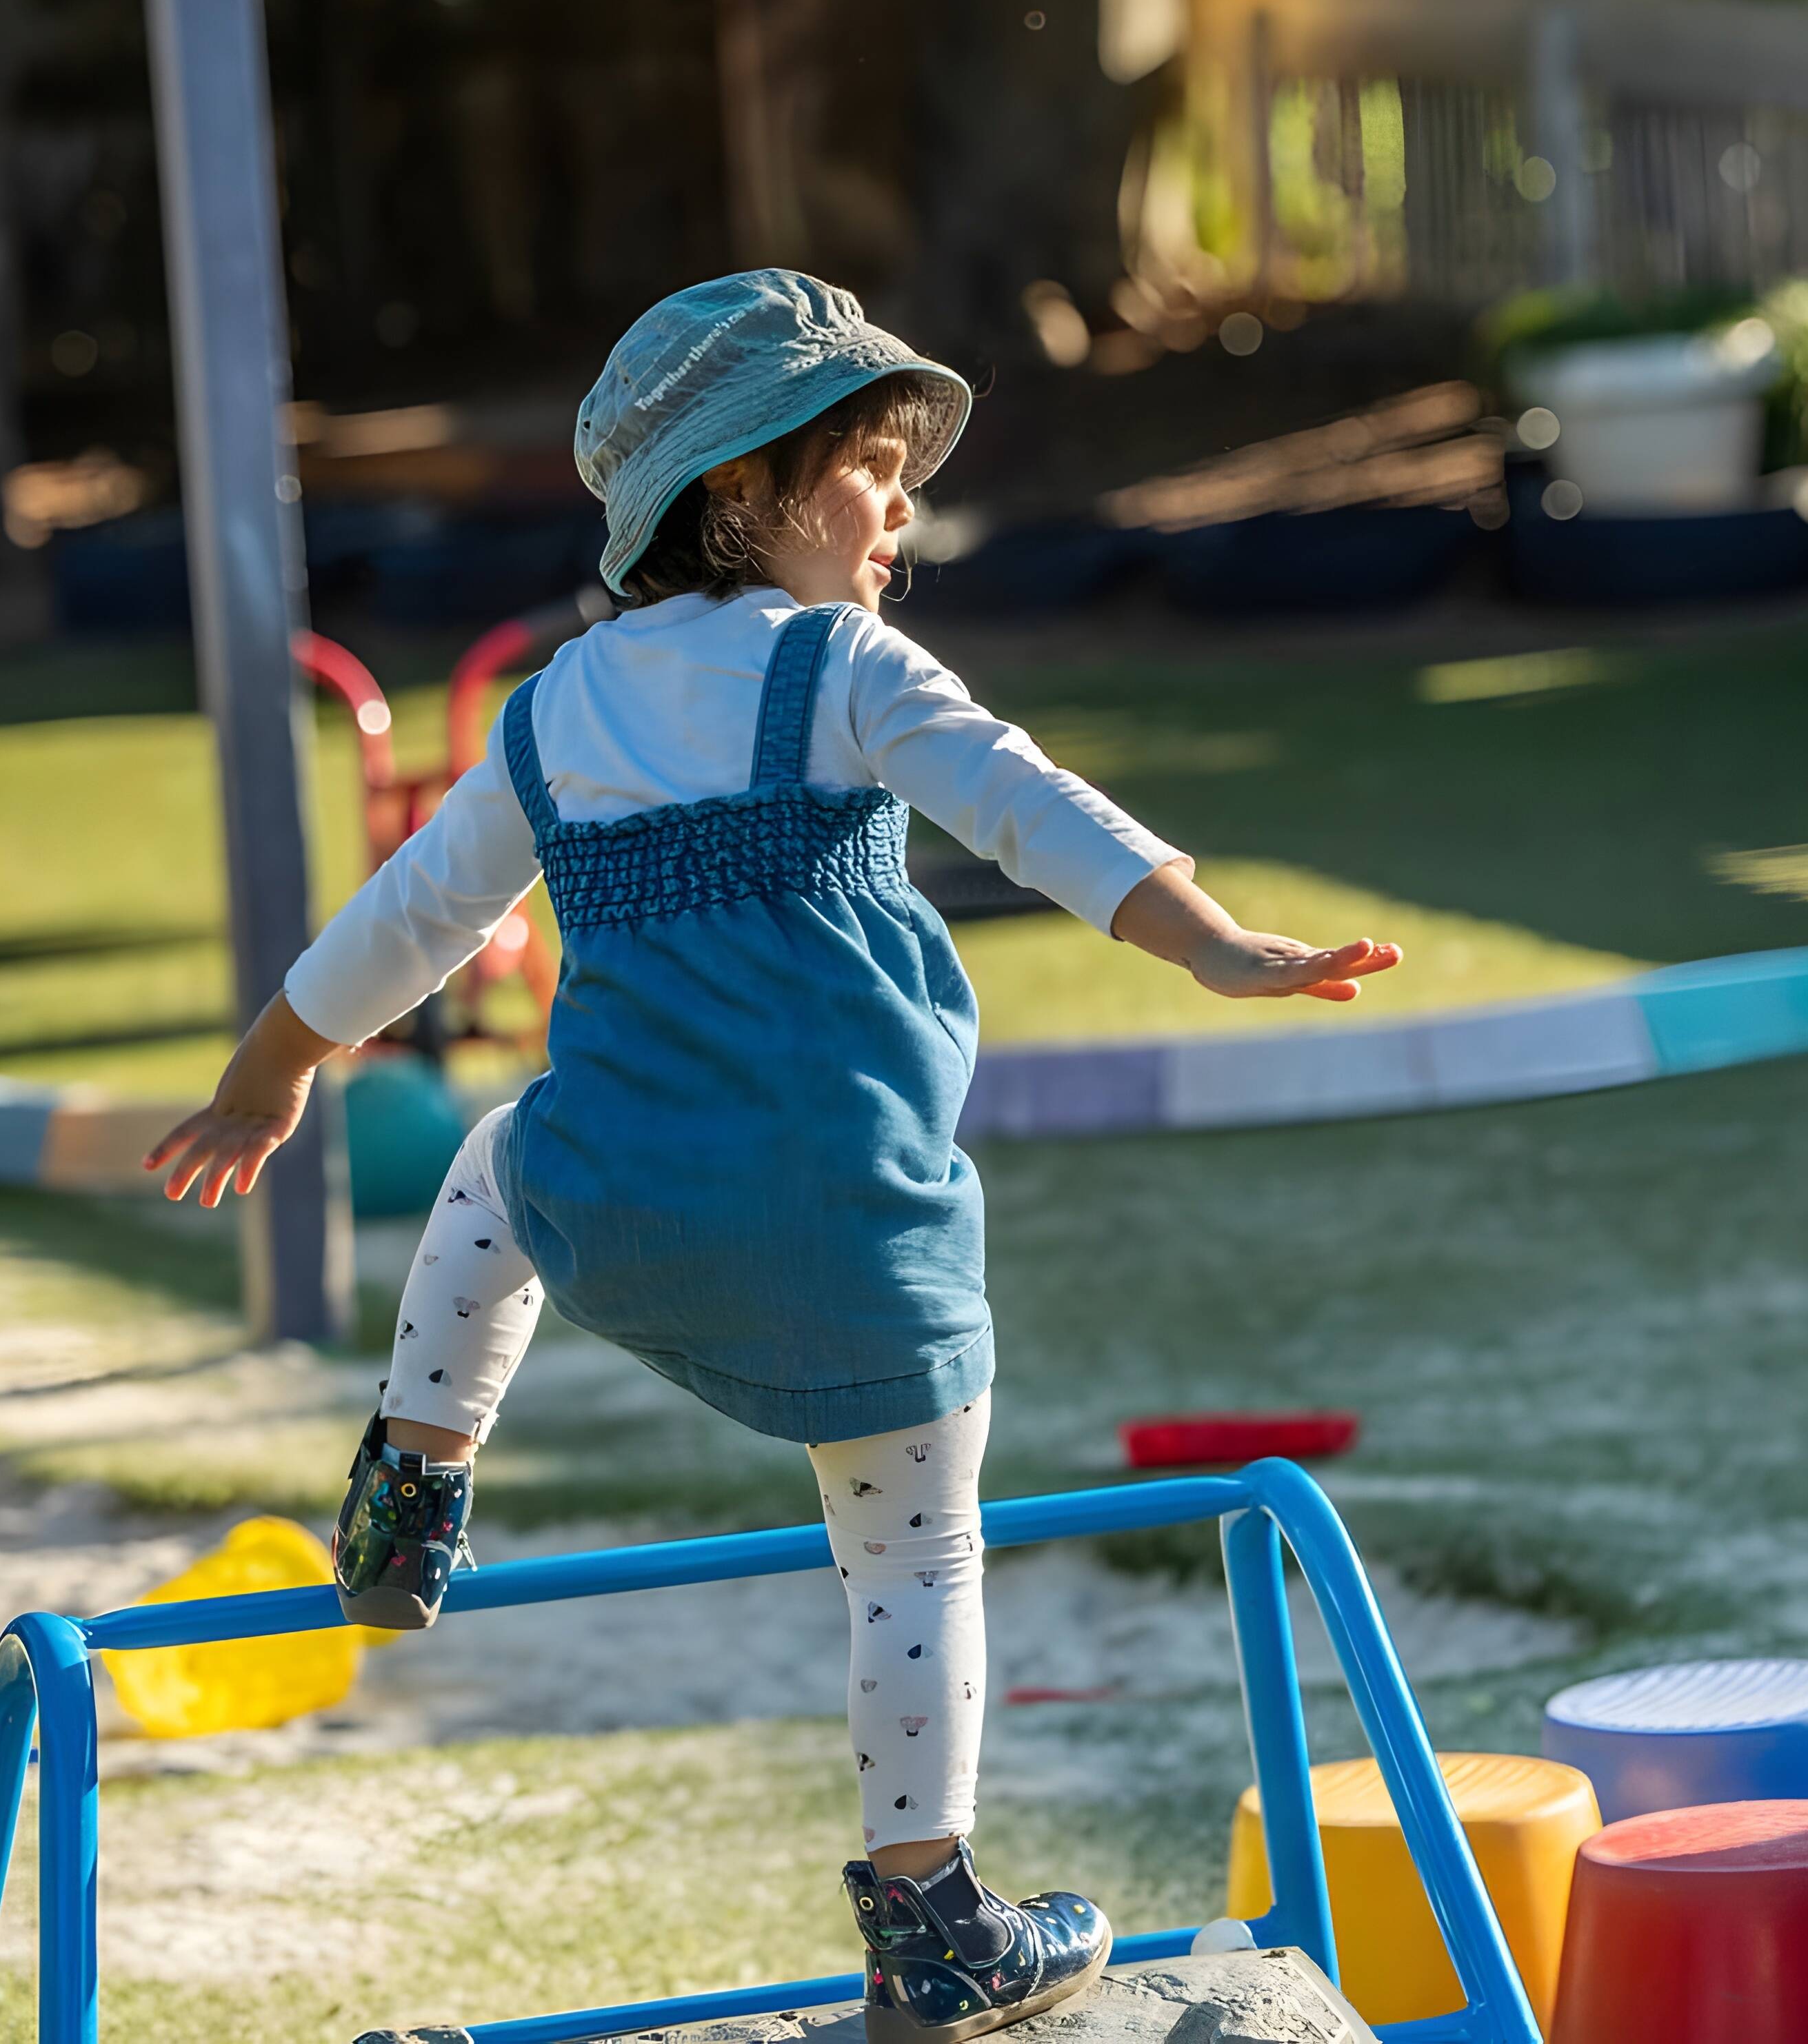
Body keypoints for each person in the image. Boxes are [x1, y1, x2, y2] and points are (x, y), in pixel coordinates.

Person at [148, 270, 1398, 2044]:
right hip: (846, 1222)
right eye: (872, 471)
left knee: (496, 1163)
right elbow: (1023, 800)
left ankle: (414, 1478)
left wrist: (273, 1070)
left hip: (618, 1194)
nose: (904, 509)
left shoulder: (555, 713)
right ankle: (931, 1920)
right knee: (911, 1562)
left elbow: (416, 912)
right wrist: (1204, 938)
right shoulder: (841, 669)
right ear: (745, 493)